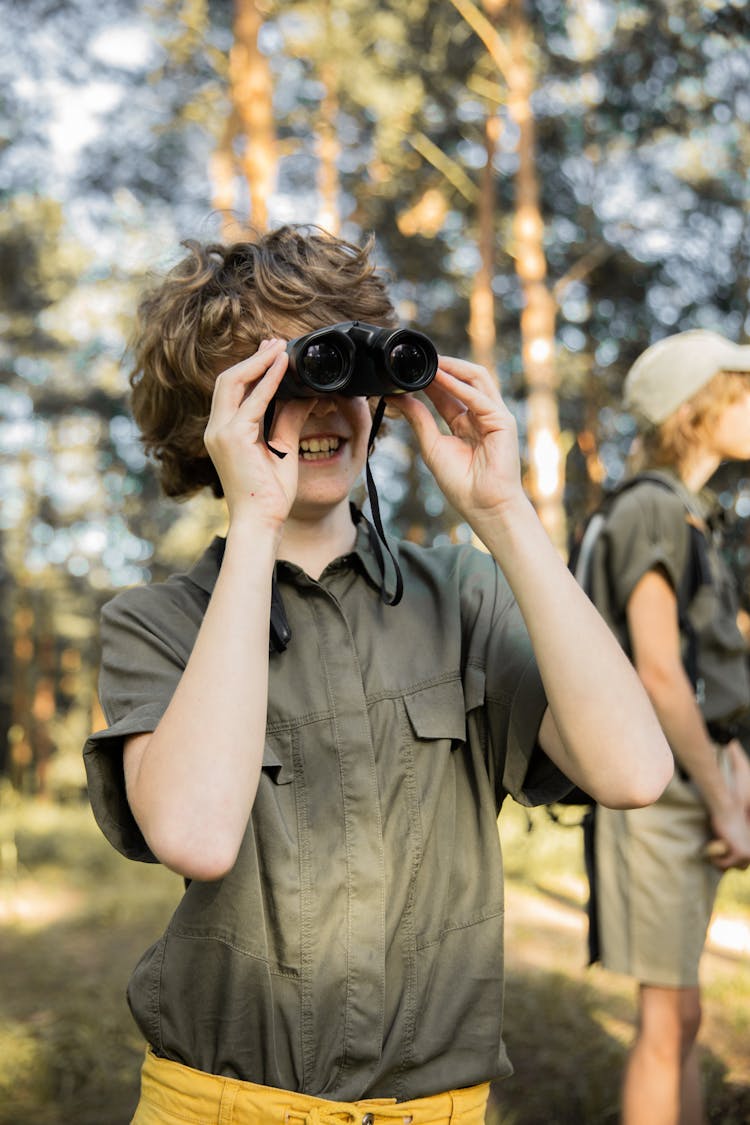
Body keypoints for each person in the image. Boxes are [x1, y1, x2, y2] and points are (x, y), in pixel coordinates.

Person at [84, 225, 671, 1125]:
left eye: (349, 371)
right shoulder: (156, 623)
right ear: (216, 416)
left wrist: (503, 511)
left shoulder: (465, 595)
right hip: (216, 1106)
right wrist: (254, 526)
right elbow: (197, 835)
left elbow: (634, 771)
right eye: (286, 379)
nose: (327, 405)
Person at [587, 329, 750, 1125]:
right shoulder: (651, 507)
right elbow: (657, 671)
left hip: (698, 780)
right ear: (698, 410)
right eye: (742, 389)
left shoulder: (690, 515)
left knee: (681, 1014)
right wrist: (722, 800)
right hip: (665, 796)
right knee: (665, 1020)